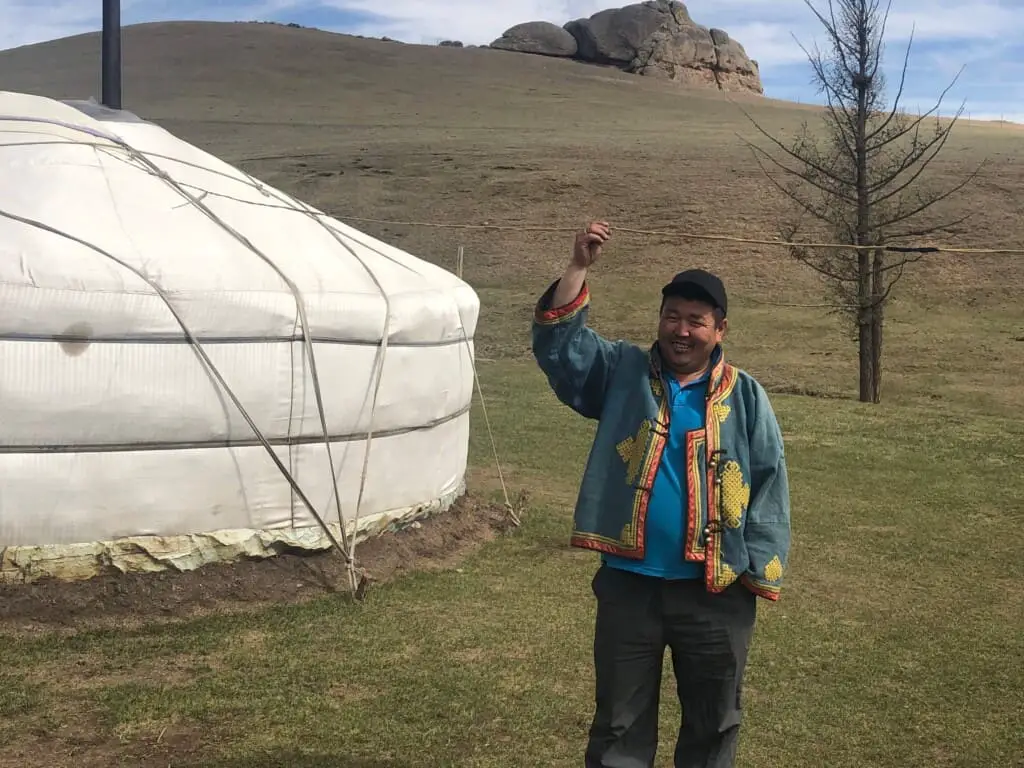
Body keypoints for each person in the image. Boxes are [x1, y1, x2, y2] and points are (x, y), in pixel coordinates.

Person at [531, 221, 791, 768]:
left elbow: (770, 480)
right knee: (618, 727)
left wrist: (755, 571)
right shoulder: (622, 372)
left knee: (713, 725)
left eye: (696, 321)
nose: (681, 329)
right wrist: (577, 266)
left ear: (719, 330)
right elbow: (562, 350)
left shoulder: (745, 396)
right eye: (671, 316)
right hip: (630, 589)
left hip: (717, 592)